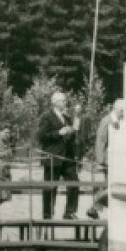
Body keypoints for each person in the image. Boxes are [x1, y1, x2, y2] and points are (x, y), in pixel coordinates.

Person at [38, 91, 81, 222]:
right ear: (55, 102)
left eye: (65, 100)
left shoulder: (67, 118)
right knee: (50, 187)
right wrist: (59, 133)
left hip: (67, 158)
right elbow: (42, 136)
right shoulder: (47, 116)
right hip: (53, 157)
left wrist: (71, 131)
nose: (65, 102)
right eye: (63, 100)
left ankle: (70, 212)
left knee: (74, 183)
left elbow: (73, 135)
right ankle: (47, 214)